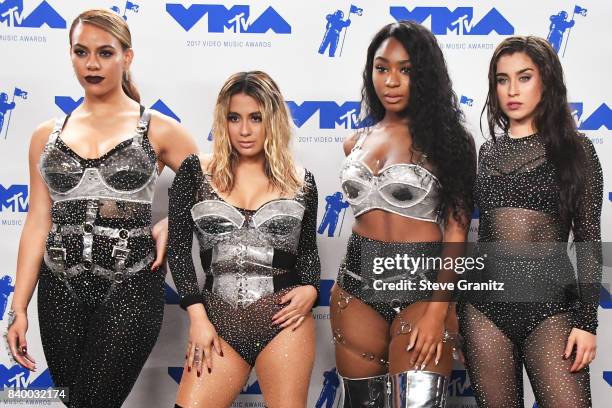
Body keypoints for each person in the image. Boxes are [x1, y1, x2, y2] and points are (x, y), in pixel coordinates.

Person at [5, 9, 197, 407]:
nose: (92, 64)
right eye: (81, 51)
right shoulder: (46, 135)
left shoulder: (157, 128)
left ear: (127, 57)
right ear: (71, 55)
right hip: (58, 291)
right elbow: (38, 220)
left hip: (130, 289)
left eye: (105, 53)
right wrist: (18, 307)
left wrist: (171, 223)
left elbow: (216, 184)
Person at [330, 21, 476, 407]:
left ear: (424, 76)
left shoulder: (451, 143)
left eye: (405, 70)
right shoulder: (354, 142)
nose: (391, 81)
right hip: (354, 289)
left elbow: (457, 234)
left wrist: (438, 310)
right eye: (382, 68)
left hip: (423, 291)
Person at [458, 36, 602, 407]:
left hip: (551, 309)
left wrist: (587, 322)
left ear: (547, 81)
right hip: (483, 311)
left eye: (524, 77)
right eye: (502, 80)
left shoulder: (577, 150)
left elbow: (588, 241)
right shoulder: (488, 152)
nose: (512, 90)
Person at [168, 71, 320, 408]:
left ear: (273, 120)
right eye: (234, 118)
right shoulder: (195, 172)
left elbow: (307, 251)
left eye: (256, 118)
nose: (245, 130)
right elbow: (178, 252)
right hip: (216, 321)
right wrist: (197, 317)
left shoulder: (301, 180)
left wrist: (311, 287)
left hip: (285, 321)